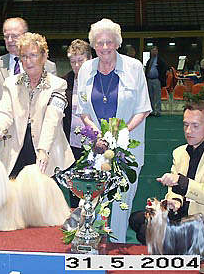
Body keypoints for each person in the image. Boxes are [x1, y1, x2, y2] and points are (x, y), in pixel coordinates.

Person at [77, 18, 151, 243]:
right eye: (100, 43)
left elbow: (142, 109)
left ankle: (116, 246)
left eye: (110, 42)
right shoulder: (86, 69)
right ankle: (94, 244)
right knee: (95, 201)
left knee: (120, 202)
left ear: (118, 43)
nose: (105, 47)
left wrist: (120, 134)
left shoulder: (134, 67)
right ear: (93, 45)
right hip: (98, 149)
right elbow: (83, 112)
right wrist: (98, 134)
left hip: (127, 149)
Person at [129, 100, 204, 250]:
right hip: (181, 217)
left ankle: (181, 250)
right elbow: (173, 189)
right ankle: (175, 248)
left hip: (202, 226)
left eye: (195, 126)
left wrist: (182, 182)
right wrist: (174, 201)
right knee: (136, 219)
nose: (188, 131)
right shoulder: (180, 152)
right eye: (186, 125)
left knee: (145, 232)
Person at [0, 32, 74, 178]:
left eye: (33, 55)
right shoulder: (10, 83)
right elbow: (4, 111)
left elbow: (52, 119)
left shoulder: (58, 84)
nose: (28, 61)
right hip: (16, 150)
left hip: (47, 152)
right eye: (24, 56)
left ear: (44, 56)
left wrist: (43, 150)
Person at [0, 17, 56, 155]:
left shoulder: (49, 67)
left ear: (25, 36)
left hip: (36, 141)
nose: (9, 40)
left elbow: (53, 112)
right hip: (3, 141)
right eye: (6, 36)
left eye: (14, 36)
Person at [63, 39, 92, 208]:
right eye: (73, 61)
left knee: (93, 190)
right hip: (71, 145)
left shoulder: (98, 82)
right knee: (74, 190)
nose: (76, 65)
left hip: (94, 146)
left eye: (80, 60)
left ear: (89, 59)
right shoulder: (64, 82)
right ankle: (76, 224)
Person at [145, 46, 167, 117]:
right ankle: (151, 111)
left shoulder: (160, 60)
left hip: (156, 80)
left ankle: (157, 111)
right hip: (149, 80)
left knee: (157, 96)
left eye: (155, 50)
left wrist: (161, 78)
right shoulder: (149, 60)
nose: (154, 52)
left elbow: (164, 69)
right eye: (152, 51)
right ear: (151, 52)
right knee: (150, 97)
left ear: (157, 51)